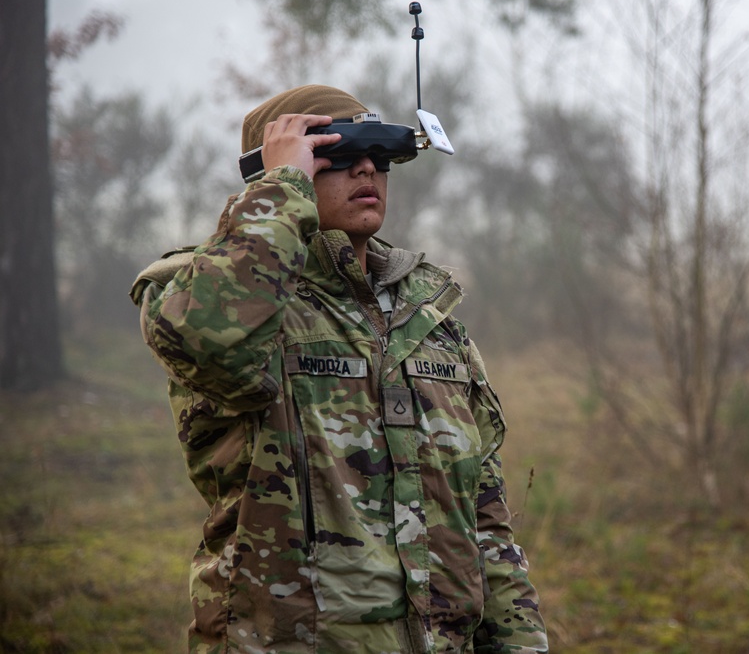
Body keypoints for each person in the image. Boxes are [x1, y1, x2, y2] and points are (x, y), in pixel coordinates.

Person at [130, 84, 548, 653]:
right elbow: (214, 346)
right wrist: (282, 191)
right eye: (341, 156)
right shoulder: (217, 298)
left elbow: (485, 519)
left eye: (380, 157)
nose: (368, 171)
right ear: (277, 173)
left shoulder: (430, 320)